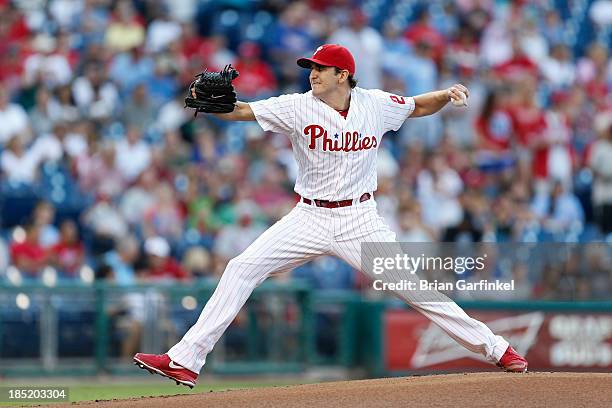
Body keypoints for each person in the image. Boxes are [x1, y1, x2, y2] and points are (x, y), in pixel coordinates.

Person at [134, 44, 528, 388]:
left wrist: (445, 93)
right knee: (241, 267)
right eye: (312, 68)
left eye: (321, 69)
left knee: (414, 289)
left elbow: (418, 105)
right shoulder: (296, 105)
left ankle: (498, 348)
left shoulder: (374, 105)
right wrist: (215, 105)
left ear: (344, 75)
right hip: (308, 216)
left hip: (360, 220)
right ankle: (185, 361)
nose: (314, 74)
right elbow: (239, 111)